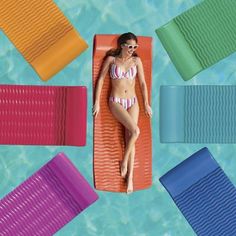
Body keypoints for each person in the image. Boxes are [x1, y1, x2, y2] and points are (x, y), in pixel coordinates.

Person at [93, 32, 152, 194]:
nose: (132, 49)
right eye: (130, 46)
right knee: (135, 131)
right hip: (116, 101)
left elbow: (142, 83)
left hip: (132, 101)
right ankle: (124, 162)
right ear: (122, 46)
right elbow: (101, 79)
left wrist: (146, 103)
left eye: (135, 47)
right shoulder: (112, 60)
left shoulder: (136, 61)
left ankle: (130, 177)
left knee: (131, 137)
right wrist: (97, 102)